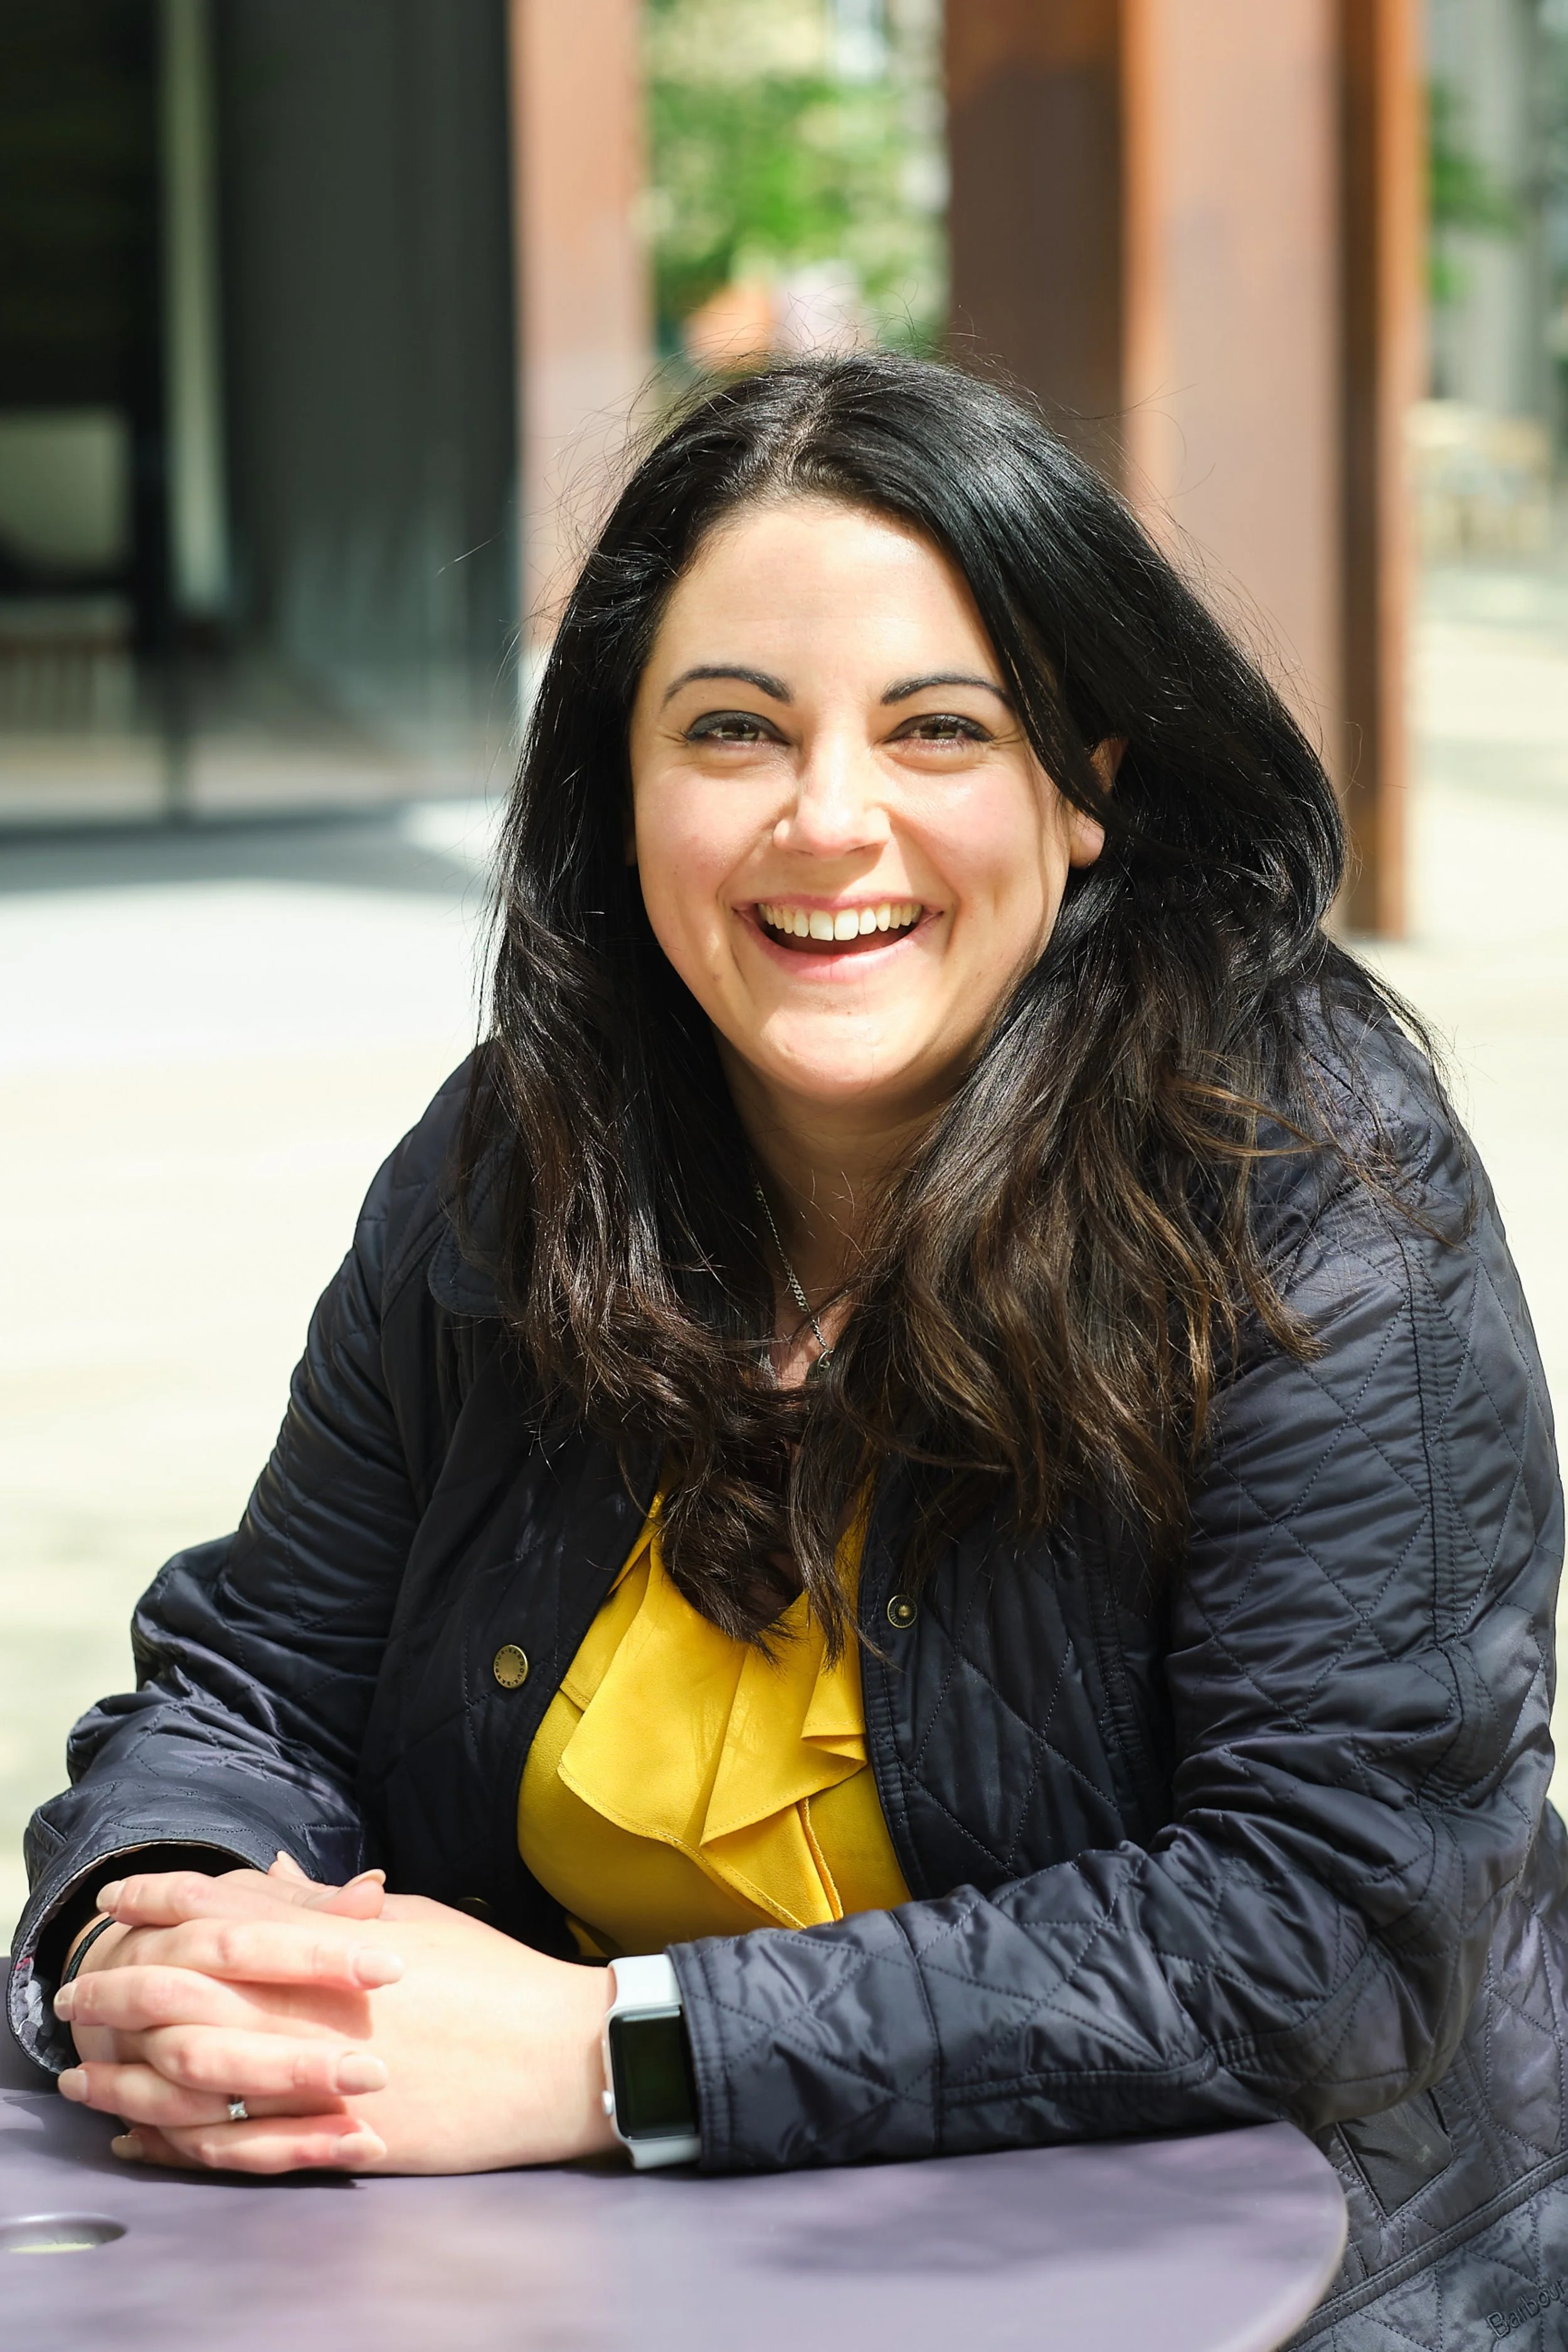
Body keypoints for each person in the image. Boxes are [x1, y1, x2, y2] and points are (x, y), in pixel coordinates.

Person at [7, 357, 1564, 2344]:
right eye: (729, 729)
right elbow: (258, 1680)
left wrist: (605, 2056)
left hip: (1261, 2289)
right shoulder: (515, 1154)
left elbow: (1329, 1921)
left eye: (939, 731)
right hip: (598, 2284)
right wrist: (165, 1918)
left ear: (1085, 785)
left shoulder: (1309, 1190)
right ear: (621, 784)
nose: (828, 823)